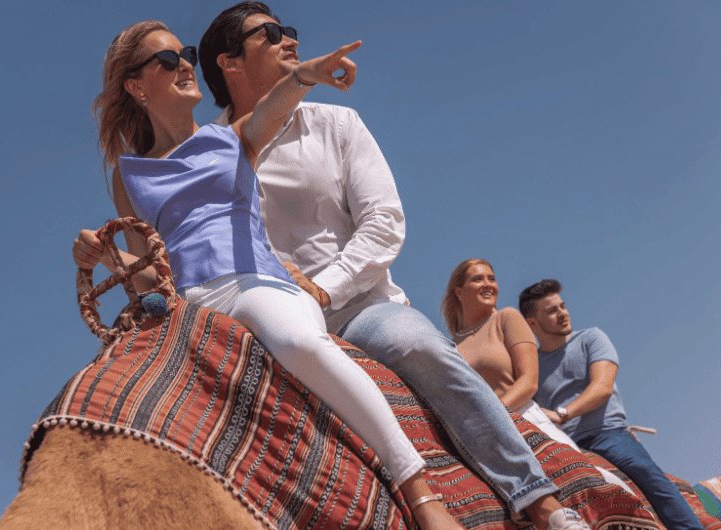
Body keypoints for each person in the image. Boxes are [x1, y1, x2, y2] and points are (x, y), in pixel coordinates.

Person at [199, 3, 589, 528]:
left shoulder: (336, 123)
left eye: (288, 29)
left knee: (418, 344)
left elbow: (383, 220)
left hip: (359, 306)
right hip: (267, 316)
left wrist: (324, 288)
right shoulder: (210, 153)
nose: (289, 39)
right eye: (270, 34)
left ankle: (538, 500)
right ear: (229, 62)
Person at [71, 20, 460, 529]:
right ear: (137, 86)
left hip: (254, 281)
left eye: (185, 53)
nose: (186, 64)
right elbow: (152, 275)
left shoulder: (230, 137)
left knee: (299, 345)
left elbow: (274, 108)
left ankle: (419, 489)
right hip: (191, 304)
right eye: (167, 60)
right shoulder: (131, 177)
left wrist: (305, 75)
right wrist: (104, 259)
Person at [519, 279, 704, 530]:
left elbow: (602, 387)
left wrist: (563, 414)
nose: (563, 313)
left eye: (563, 306)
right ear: (532, 323)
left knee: (648, 476)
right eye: (552, 310)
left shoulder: (590, 338)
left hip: (607, 434)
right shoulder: (533, 367)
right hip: (563, 445)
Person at [441, 259, 632, 493]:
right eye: (478, 279)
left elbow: (529, 382)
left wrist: (492, 416)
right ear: (459, 292)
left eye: (492, 278)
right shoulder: (452, 346)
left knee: (592, 485)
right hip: (486, 435)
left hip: (523, 416)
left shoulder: (507, 318)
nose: (488, 284)